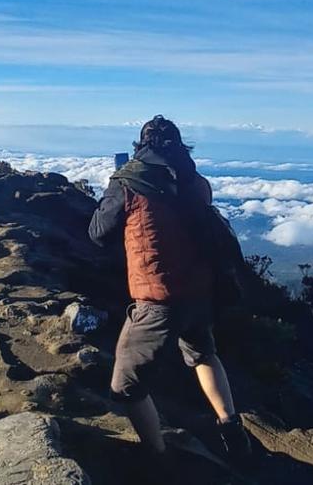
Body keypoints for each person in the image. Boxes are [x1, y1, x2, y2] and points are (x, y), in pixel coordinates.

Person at [88, 115, 251, 460]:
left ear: (141, 145)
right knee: (202, 354)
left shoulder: (127, 182)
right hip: (201, 292)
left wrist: (111, 188)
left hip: (158, 298)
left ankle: (157, 457)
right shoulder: (195, 182)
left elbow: (98, 233)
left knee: (125, 385)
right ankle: (231, 427)